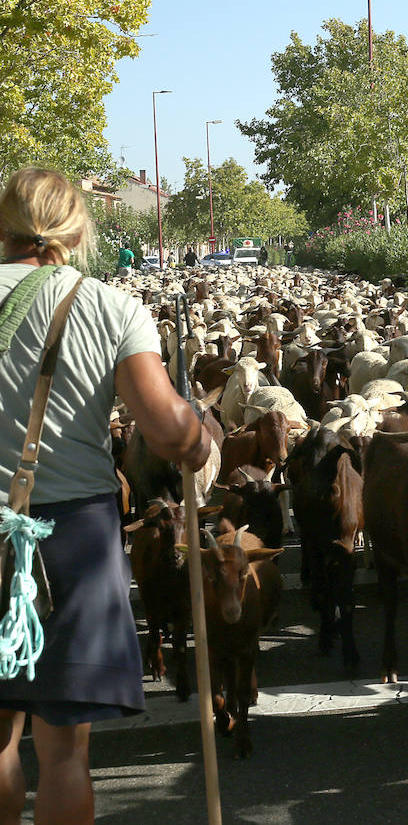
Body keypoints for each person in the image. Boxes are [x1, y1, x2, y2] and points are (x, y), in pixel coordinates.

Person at [0, 167, 212, 824]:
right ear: (77, 231)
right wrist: (199, 441)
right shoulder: (109, 306)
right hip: (74, 542)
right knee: (63, 753)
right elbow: (166, 427)